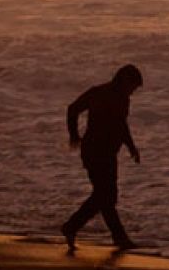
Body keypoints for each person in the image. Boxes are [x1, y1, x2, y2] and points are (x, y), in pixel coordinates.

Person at [61, 64, 143, 252]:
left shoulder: (121, 98)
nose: (132, 92)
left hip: (108, 153)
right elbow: (72, 109)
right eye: (133, 86)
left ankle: (118, 237)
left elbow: (122, 125)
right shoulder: (100, 93)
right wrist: (74, 135)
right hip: (95, 152)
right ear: (123, 80)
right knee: (104, 195)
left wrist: (131, 147)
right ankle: (72, 227)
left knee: (107, 197)